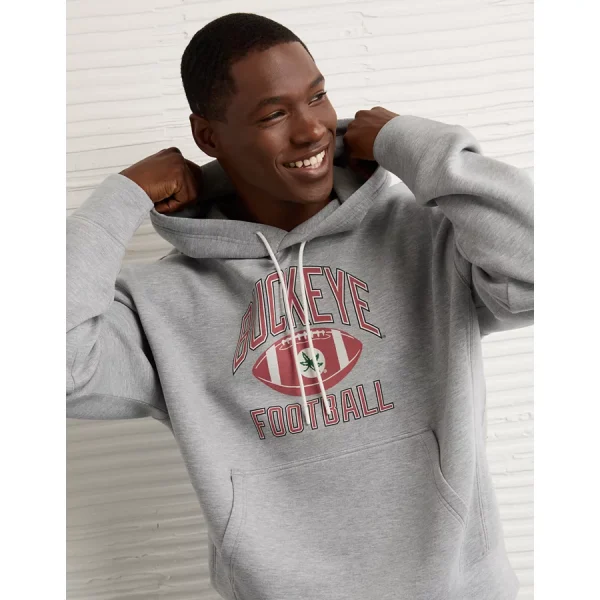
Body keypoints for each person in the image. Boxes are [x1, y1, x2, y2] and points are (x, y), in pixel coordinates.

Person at [66, 12, 533, 600]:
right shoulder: (162, 302)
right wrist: (121, 197)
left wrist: (411, 143)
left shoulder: (428, 239)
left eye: (317, 97)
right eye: (274, 114)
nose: (312, 130)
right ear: (208, 137)